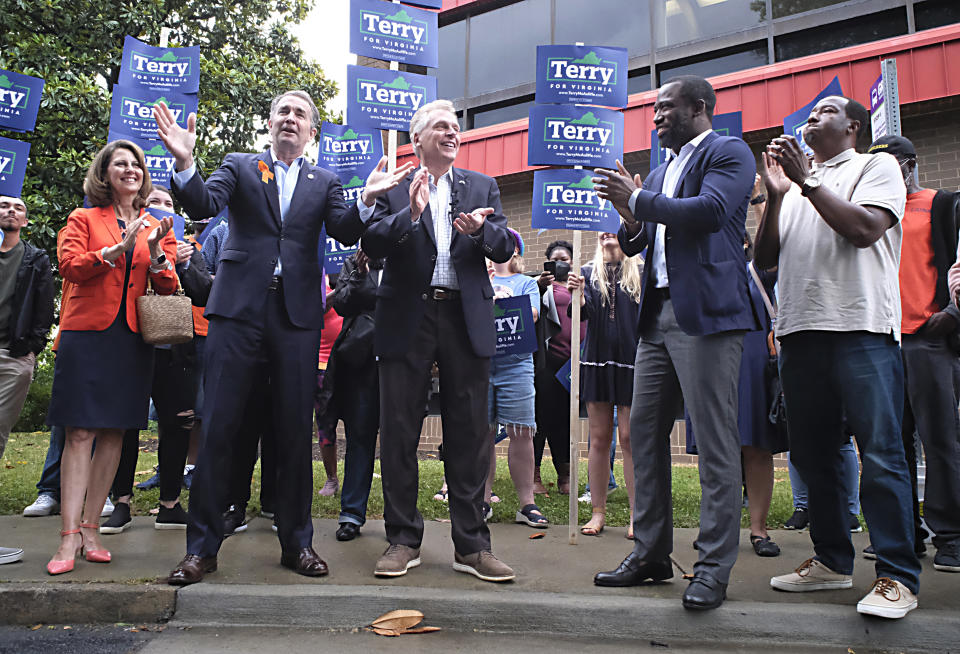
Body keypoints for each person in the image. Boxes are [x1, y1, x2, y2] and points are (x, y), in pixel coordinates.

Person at [154, 90, 411, 585]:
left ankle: (298, 543)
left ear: (312, 131)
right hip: (237, 311)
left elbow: (342, 228)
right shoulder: (241, 166)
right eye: (283, 112)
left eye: (301, 115)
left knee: (294, 430)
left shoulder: (326, 180)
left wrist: (368, 197)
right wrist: (186, 163)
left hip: (295, 317)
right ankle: (201, 550)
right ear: (270, 124)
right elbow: (205, 201)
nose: (291, 119)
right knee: (221, 427)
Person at [590, 75, 756, 610]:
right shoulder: (662, 169)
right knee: (643, 434)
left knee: (712, 440)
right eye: (654, 110)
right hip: (656, 316)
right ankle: (652, 554)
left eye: (666, 108)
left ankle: (711, 567)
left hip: (705, 317)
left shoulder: (729, 152)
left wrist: (639, 197)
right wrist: (629, 214)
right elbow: (647, 237)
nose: (656, 117)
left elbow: (708, 214)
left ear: (700, 108)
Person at [755, 95, 921, 619]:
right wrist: (779, 197)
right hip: (800, 334)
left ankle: (897, 575)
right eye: (808, 114)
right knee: (813, 454)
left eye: (824, 111)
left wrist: (806, 182)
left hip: (861, 330)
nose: (809, 117)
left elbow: (864, 230)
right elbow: (762, 262)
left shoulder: (877, 165)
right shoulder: (798, 185)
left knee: (881, 453)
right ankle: (831, 561)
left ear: (852, 125)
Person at [360, 99, 516, 582]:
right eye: (442, 127)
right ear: (418, 140)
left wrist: (482, 230)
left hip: (465, 315)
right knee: (401, 431)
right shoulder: (395, 187)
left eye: (456, 128)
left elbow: (506, 245)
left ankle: (472, 546)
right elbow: (371, 244)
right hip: (408, 314)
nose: (453, 133)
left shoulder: (481, 186)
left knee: (470, 433)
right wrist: (408, 214)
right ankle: (403, 539)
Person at [45, 139, 177, 575]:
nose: (130, 169)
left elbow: (168, 286)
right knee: (79, 433)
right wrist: (114, 251)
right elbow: (69, 265)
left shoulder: (159, 223)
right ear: (105, 174)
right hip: (88, 336)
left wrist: (155, 250)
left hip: (132, 339)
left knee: (116, 434)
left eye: (136, 164)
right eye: (120, 163)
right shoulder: (83, 218)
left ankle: (91, 528)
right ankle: (66, 537)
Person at [865, 135, 960, 572]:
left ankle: (951, 536)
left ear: (910, 165)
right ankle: (905, 534)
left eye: (892, 164)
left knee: (940, 441)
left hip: (927, 338)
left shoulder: (940, 204)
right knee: (890, 445)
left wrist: (953, 313)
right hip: (884, 339)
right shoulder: (871, 209)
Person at [101, 186, 196, 534]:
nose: (161, 208)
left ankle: (170, 504)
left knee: (177, 421)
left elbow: (190, 289)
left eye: (169, 204)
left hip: (172, 345)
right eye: (154, 201)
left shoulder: (181, 245)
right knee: (125, 423)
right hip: (130, 341)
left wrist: (184, 260)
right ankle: (121, 502)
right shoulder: (124, 234)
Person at [566, 234, 642, 537]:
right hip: (596, 360)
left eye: (615, 227)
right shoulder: (585, 273)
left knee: (629, 438)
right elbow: (579, 317)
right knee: (598, 439)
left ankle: (638, 514)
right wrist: (580, 296)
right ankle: (598, 512)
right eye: (604, 228)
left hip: (632, 362)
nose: (608, 232)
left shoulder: (641, 271)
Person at [0, 195, 55, 565]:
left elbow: (44, 308)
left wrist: (30, 350)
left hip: (13, 355)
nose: (11, 211)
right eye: (4, 206)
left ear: (26, 219)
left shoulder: (36, 260)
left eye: (18, 208)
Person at [319, 249, 382, 541]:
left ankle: (399, 517)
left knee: (400, 441)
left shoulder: (409, 255)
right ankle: (352, 514)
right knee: (360, 437)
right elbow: (342, 304)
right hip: (360, 360)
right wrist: (360, 274)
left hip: (402, 356)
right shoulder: (352, 263)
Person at [484, 229, 544, 528]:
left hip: (517, 365)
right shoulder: (478, 279)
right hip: (480, 365)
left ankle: (527, 503)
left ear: (515, 250)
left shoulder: (527, 283)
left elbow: (532, 314)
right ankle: (482, 500)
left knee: (521, 433)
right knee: (482, 435)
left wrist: (501, 301)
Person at [533, 239, 580, 496]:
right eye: (556, 258)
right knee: (542, 417)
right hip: (548, 362)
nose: (561, 262)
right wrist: (540, 287)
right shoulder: (543, 286)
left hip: (573, 365)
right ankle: (534, 474)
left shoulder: (578, 284)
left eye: (565, 258)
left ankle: (565, 475)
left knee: (565, 420)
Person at [315, 275, 344, 498]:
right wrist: (338, 292)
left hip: (350, 357)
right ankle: (332, 479)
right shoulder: (315, 268)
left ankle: (354, 482)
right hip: (321, 362)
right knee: (325, 423)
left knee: (358, 422)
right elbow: (315, 307)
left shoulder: (352, 265)